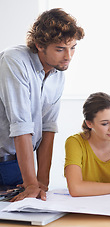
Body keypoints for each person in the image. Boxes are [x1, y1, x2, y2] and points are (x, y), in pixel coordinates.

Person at [0, 8, 84, 201]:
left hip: (18, 164)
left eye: (73, 47)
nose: (68, 56)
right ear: (39, 44)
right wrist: (31, 184)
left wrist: (41, 182)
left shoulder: (58, 73)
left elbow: (48, 128)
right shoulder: (14, 60)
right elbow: (21, 126)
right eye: (60, 49)